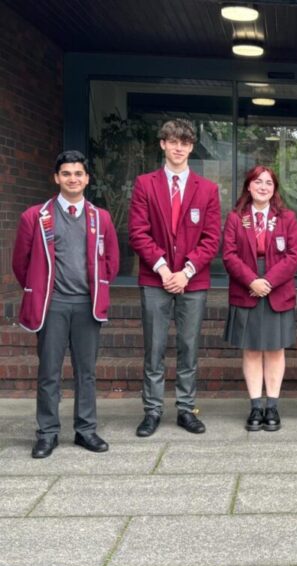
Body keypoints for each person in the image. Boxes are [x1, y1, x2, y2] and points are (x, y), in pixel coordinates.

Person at [12, 150, 119, 458]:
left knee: (86, 372)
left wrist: (97, 289)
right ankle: (47, 433)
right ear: (56, 178)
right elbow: (21, 263)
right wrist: (40, 289)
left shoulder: (101, 217)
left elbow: (111, 261)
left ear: (87, 179)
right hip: (52, 305)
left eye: (78, 174)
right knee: (49, 371)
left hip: (87, 305)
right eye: (67, 174)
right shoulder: (35, 216)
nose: (73, 179)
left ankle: (86, 430)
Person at [129, 119, 221, 437]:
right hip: (155, 278)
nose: (178, 147)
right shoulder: (145, 184)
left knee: (188, 346)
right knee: (154, 348)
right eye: (173, 141)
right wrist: (164, 269)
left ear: (191, 147)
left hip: (192, 281)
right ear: (163, 144)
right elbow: (138, 232)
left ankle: (186, 409)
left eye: (184, 142)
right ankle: (152, 410)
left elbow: (211, 238)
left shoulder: (207, 189)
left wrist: (186, 272)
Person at [223, 166, 297, 432]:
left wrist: (267, 281)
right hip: (246, 287)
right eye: (258, 182)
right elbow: (229, 255)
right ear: (249, 186)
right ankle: (256, 405)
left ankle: (273, 406)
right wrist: (251, 281)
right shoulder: (236, 218)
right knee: (252, 349)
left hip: (276, 288)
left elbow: (294, 255)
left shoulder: (287, 218)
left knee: (276, 349)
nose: (263, 187)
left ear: (274, 188)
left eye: (268, 183)